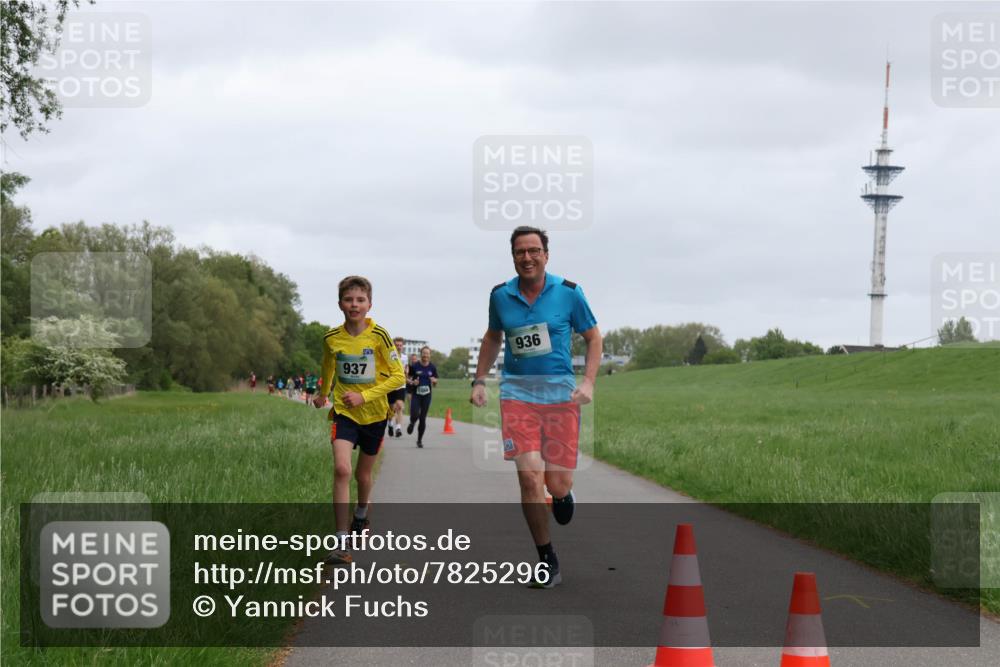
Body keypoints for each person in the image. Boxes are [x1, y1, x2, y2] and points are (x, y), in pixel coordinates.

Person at [470, 226, 602, 589]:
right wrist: (479, 380)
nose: (527, 257)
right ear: (513, 256)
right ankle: (546, 560)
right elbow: (493, 337)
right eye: (520, 252)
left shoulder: (569, 293)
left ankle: (562, 494)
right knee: (529, 476)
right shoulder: (501, 295)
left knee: (555, 484)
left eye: (533, 251)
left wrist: (589, 382)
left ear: (546, 254)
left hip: (561, 398)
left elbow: (593, 337)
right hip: (517, 396)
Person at [313, 275, 405, 565]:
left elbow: (398, 377)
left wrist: (365, 397)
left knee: (362, 476)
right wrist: (323, 393)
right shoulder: (331, 338)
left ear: (369, 305)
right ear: (340, 304)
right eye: (349, 300)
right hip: (344, 413)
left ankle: (362, 514)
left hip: (375, 414)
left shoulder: (379, 336)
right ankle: (341, 542)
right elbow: (328, 366)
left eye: (360, 300)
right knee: (342, 469)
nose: (354, 305)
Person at [406, 346, 438, 448]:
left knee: (423, 418)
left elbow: (435, 382)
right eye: (424, 353)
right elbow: (407, 379)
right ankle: (412, 423)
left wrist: (434, 381)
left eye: (427, 353)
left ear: (430, 355)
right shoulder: (415, 366)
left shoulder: (432, 367)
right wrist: (413, 382)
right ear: (421, 354)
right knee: (415, 413)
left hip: (427, 396)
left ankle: (419, 440)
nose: (425, 355)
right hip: (416, 394)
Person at [385, 337, 408, 438]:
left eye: (400, 345)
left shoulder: (405, 357)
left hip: (401, 385)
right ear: (393, 346)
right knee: (391, 408)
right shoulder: (389, 356)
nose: (399, 347)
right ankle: (390, 424)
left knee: (399, 406)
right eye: (397, 345)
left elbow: (406, 369)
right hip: (391, 385)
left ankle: (398, 428)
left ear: (403, 346)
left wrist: (406, 373)